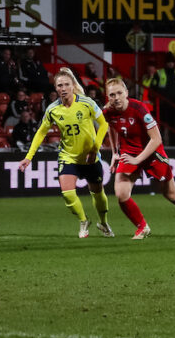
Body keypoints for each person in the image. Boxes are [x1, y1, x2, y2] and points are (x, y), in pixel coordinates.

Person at [18, 67, 113, 239]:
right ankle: (83, 221)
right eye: (59, 85)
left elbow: (103, 124)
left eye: (66, 84)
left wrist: (95, 148)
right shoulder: (53, 109)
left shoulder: (86, 103)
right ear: (55, 88)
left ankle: (103, 222)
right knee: (67, 194)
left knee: (98, 194)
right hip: (68, 156)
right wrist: (28, 157)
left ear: (72, 86)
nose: (63, 88)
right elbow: (41, 132)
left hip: (90, 157)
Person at [103, 77, 175, 239]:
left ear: (126, 93)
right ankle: (142, 227)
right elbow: (111, 126)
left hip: (152, 153)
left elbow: (156, 139)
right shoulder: (108, 112)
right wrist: (115, 152)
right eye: (112, 95)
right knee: (121, 194)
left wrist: (138, 160)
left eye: (119, 93)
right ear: (108, 97)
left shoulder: (139, 109)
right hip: (129, 152)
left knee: (171, 194)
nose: (116, 98)